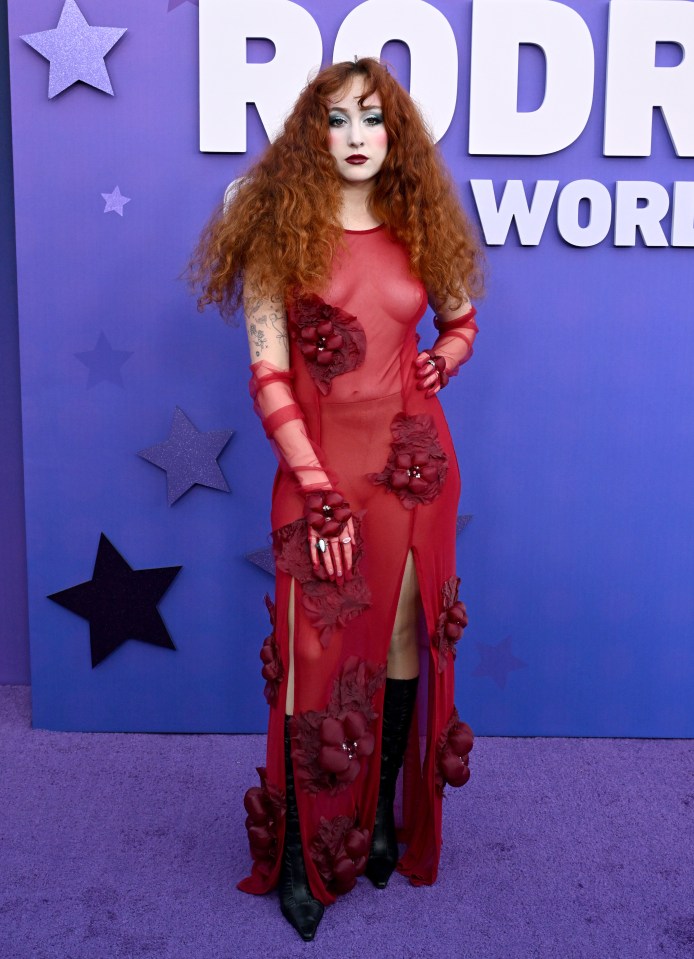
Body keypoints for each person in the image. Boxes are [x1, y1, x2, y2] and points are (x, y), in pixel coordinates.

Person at [187, 56, 484, 941]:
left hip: (414, 469)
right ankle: (295, 858)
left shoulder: (423, 220)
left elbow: (462, 320)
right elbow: (268, 376)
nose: (357, 137)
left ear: (394, 132)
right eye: (337, 120)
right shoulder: (272, 222)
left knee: (400, 642)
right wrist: (314, 490)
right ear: (312, 133)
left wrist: (446, 358)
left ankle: (383, 819)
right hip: (317, 473)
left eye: (372, 119)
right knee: (309, 659)